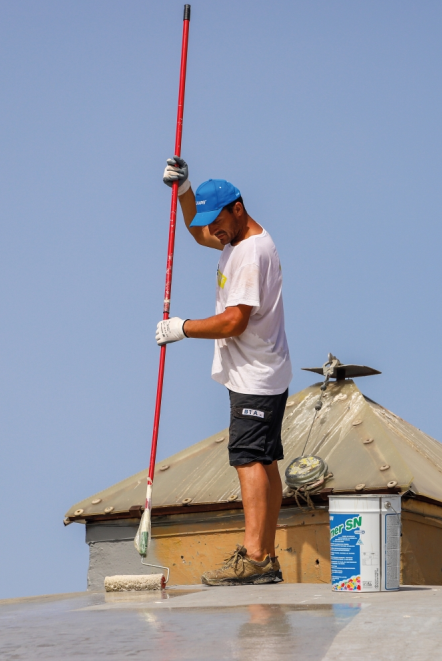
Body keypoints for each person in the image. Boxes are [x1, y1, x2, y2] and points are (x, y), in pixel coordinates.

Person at [155, 156, 292, 586]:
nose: (214, 231)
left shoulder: (250, 253)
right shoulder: (237, 239)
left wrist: (183, 328)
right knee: (265, 462)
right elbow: (198, 233)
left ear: (238, 208)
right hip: (262, 371)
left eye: (219, 222)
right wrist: (184, 190)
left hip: (255, 373)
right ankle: (265, 557)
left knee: (249, 460)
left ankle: (253, 557)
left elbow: (236, 321)